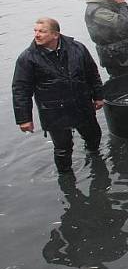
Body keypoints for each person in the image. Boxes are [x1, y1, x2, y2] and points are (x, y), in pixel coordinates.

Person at [12, 18, 104, 174]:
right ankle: (66, 176)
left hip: (81, 104)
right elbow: (21, 89)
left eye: (42, 31)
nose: (37, 35)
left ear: (55, 35)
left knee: (94, 135)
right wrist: (24, 119)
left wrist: (98, 96)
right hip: (54, 112)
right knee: (62, 148)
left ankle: (95, 159)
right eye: (35, 31)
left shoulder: (78, 49)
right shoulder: (27, 58)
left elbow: (92, 73)